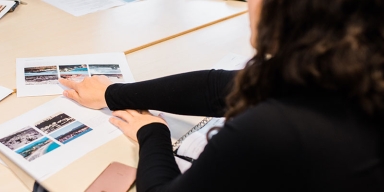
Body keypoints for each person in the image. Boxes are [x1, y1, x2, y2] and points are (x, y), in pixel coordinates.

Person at [58, 0, 384, 191]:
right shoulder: (352, 67)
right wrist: (113, 93)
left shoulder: (282, 128)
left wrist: (152, 132)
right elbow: (216, 88)